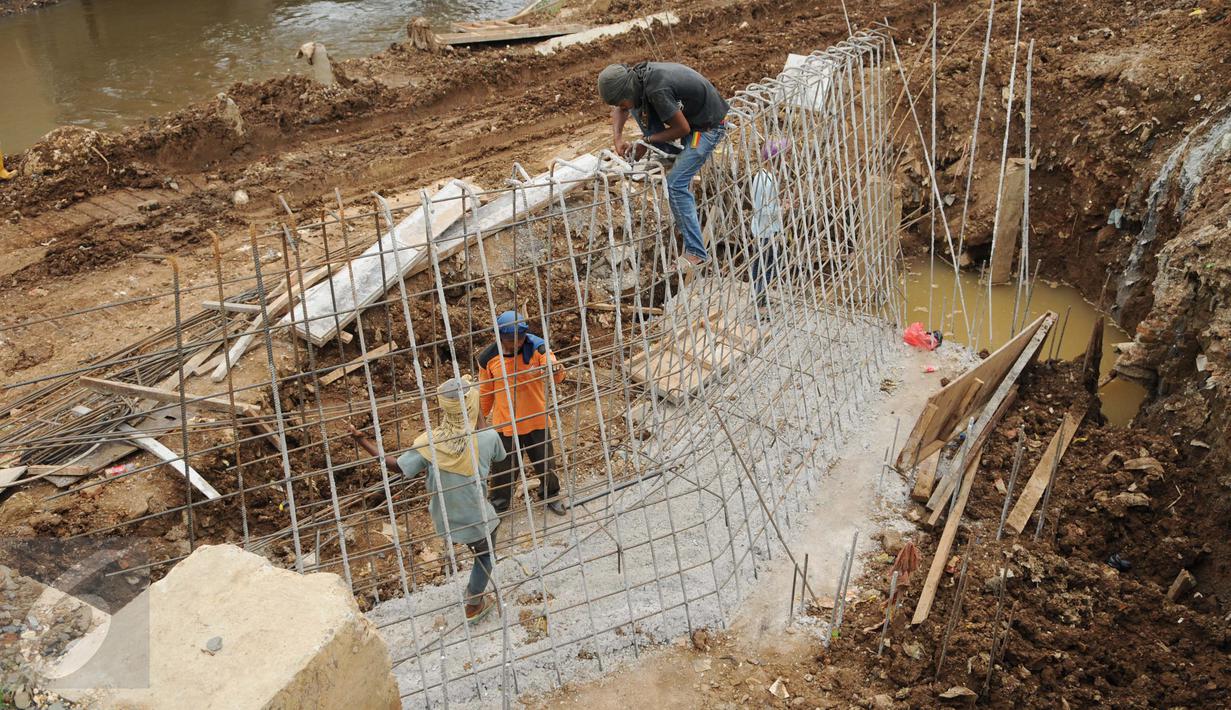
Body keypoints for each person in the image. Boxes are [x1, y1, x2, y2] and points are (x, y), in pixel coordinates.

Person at [347, 376, 504, 625]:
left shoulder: (430, 443)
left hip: (444, 514)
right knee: (486, 555)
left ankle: (474, 588)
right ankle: (474, 604)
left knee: (479, 546)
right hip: (474, 513)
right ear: (472, 408)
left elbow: (395, 466)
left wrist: (363, 441)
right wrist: (478, 419)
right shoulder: (488, 438)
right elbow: (497, 454)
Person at [597, 62, 729, 274]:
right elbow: (621, 108)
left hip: (706, 128)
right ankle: (668, 149)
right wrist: (618, 138)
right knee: (638, 107)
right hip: (689, 117)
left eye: (623, 101)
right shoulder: (636, 81)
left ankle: (696, 253)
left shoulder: (657, 89)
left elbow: (682, 128)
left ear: (627, 90)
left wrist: (645, 141)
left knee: (675, 183)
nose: (623, 107)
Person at [477, 310, 568, 516]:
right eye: (511, 339)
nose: (517, 343)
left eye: (520, 338)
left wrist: (555, 369)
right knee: (503, 469)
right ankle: (499, 504)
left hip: (536, 419)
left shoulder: (537, 348)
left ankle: (550, 495)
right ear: (500, 337)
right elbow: (485, 392)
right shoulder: (488, 359)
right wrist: (479, 421)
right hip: (505, 423)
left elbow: (557, 374)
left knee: (546, 463)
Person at [750, 138, 789, 312]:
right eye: (784, 156)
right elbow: (762, 209)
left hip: (765, 229)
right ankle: (760, 303)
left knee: (765, 265)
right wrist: (782, 209)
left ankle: (761, 298)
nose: (786, 160)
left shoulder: (766, 176)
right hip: (765, 230)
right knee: (764, 267)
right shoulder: (765, 180)